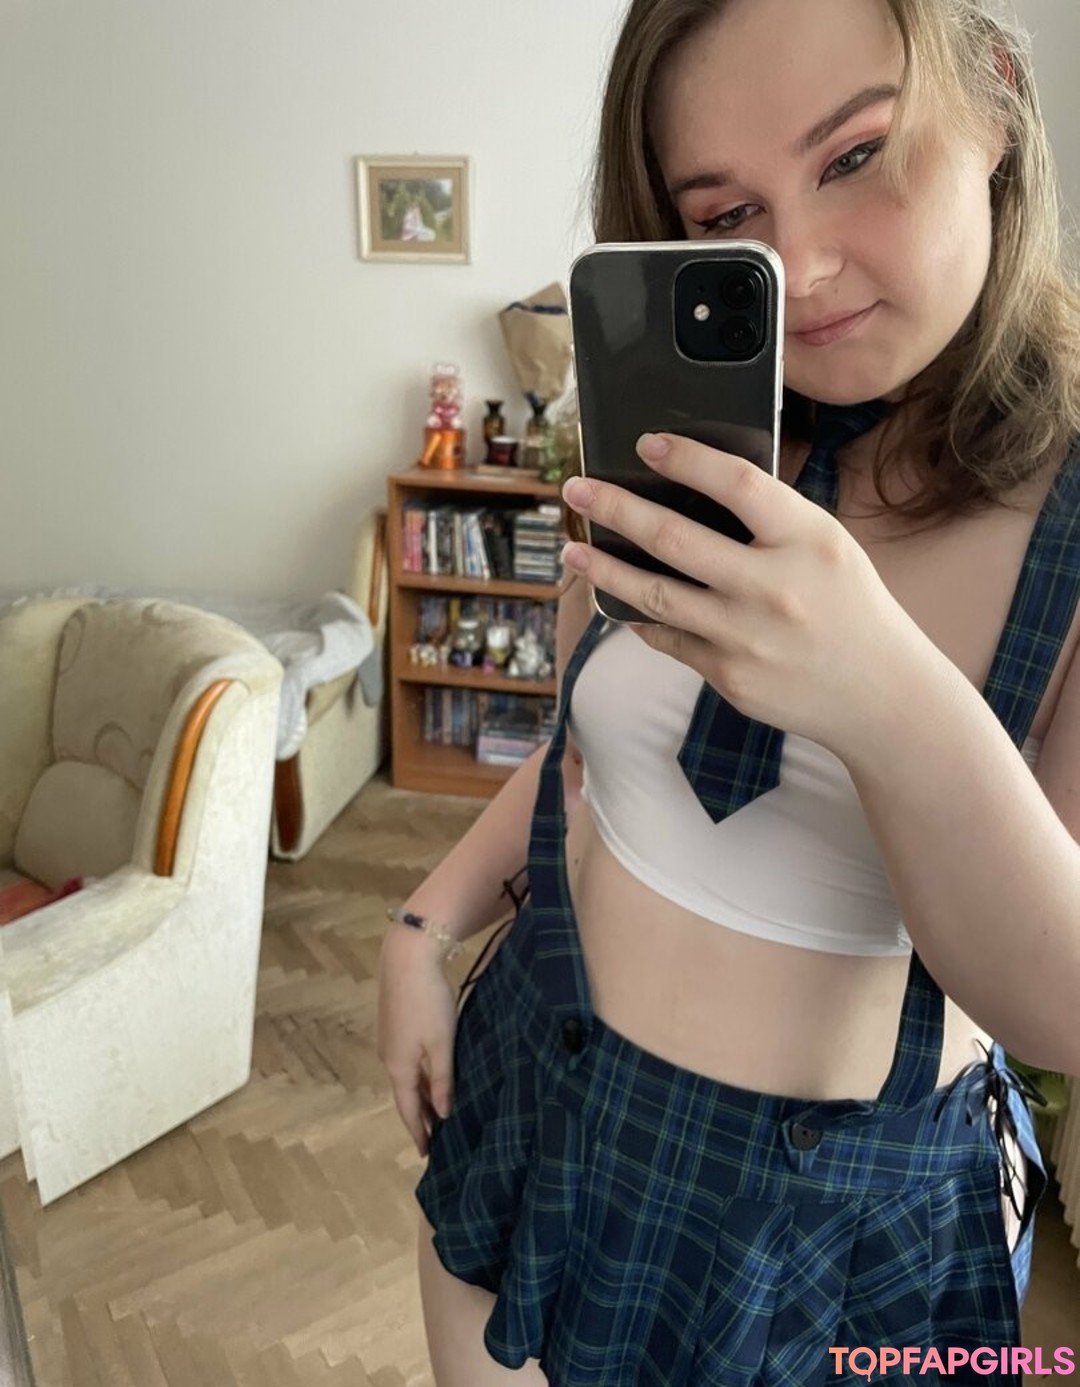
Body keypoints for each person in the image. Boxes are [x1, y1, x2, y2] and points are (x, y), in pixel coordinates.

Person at [377, 0, 1080, 1382]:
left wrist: (879, 688)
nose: (799, 267)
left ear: (997, 99)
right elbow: (591, 754)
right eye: (726, 215)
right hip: (540, 1081)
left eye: (855, 155)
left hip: (821, 1229)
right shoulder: (679, 446)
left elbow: (1060, 1007)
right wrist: (421, 926)